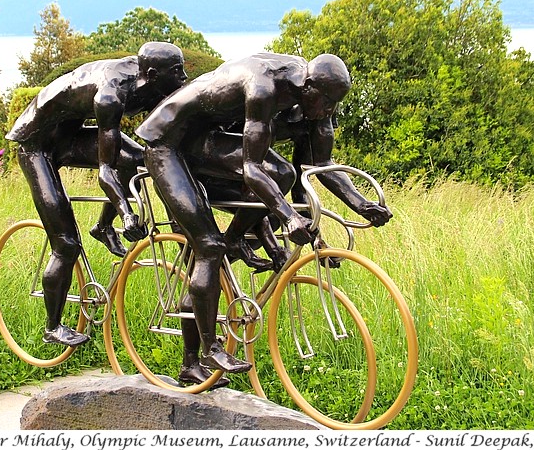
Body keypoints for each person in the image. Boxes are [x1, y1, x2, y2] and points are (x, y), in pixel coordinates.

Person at [134, 52, 391, 385]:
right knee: (209, 248)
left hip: (206, 138)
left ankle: (189, 363)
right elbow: (251, 167)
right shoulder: (264, 86)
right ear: (309, 86)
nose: (328, 112)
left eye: (334, 106)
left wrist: (362, 203)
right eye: (326, 103)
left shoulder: (318, 99)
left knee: (282, 172)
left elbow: (317, 168)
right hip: (167, 143)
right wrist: (287, 218)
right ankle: (211, 346)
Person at [6, 42, 188, 347]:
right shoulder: (111, 94)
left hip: (69, 134)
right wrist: (127, 212)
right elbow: (106, 170)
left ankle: (102, 227)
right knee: (66, 244)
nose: (184, 78)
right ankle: (52, 326)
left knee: (138, 158)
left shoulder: (156, 83)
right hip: (36, 145)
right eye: (178, 71)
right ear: (154, 74)